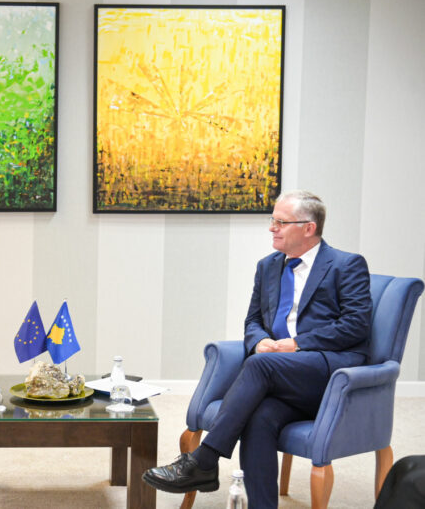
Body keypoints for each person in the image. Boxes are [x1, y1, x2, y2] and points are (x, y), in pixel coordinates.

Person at [142, 190, 373, 508]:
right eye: (272, 220)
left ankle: (205, 460)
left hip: (327, 373)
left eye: (281, 222)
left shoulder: (346, 265)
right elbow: (252, 320)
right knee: (259, 417)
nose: (271, 227)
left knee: (258, 365)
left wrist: (299, 343)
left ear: (308, 228)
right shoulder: (268, 266)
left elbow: (356, 325)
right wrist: (259, 340)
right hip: (280, 375)